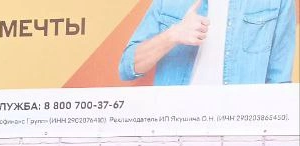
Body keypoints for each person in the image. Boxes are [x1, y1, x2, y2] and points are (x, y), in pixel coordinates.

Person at [119, 0, 296, 84]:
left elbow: (279, 85)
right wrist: (172, 35)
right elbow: (128, 67)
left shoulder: (277, 2)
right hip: (177, 131)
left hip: (241, 135)